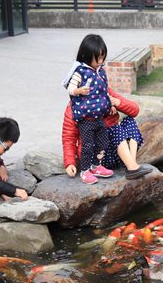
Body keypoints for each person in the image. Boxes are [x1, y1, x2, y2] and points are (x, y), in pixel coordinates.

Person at [61, 53, 153, 183]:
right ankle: (131, 167)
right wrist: (69, 162)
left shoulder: (106, 93)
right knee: (114, 129)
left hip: (114, 150)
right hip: (97, 156)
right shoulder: (74, 108)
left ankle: (131, 165)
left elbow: (135, 110)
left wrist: (116, 102)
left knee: (129, 121)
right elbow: (68, 137)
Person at [63, 34, 114, 184]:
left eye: (102, 58)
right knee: (88, 145)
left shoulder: (100, 71)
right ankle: (85, 171)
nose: (100, 62)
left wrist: (109, 105)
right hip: (86, 118)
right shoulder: (80, 72)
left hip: (99, 117)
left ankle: (96, 166)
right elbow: (70, 89)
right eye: (97, 58)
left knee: (103, 142)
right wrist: (79, 91)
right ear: (86, 55)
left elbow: (105, 91)